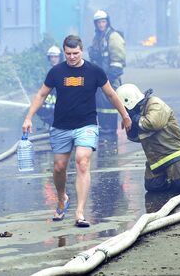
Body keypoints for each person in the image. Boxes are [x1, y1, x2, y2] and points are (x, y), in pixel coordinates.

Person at [22, 35, 132, 227]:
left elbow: (111, 94)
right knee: (59, 168)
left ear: (82, 51)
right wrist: (28, 117)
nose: (71, 57)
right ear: (64, 53)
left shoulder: (94, 71)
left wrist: (125, 115)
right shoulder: (56, 72)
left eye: (75, 53)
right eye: (68, 54)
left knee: (82, 162)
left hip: (86, 125)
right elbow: (41, 94)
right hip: (61, 126)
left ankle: (80, 212)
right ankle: (61, 198)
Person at [116, 83, 180, 193]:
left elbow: (153, 124)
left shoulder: (154, 103)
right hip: (155, 159)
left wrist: (134, 117)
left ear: (128, 101)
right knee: (153, 187)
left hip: (173, 153)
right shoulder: (137, 112)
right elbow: (136, 138)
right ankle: (170, 178)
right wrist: (131, 127)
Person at [89, 10, 126, 138]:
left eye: (103, 21)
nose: (101, 24)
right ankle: (104, 128)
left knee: (109, 103)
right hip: (99, 78)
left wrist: (109, 77)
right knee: (100, 104)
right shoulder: (97, 37)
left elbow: (118, 59)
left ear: (107, 22)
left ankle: (110, 129)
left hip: (110, 77)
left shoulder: (113, 36)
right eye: (98, 22)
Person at [36, 46, 62, 127]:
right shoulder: (50, 70)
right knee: (41, 108)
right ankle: (53, 125)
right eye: (51, 57)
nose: (53, 59)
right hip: (52, 97)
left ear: (60, 57)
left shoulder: (63, 69)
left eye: (56, 57)